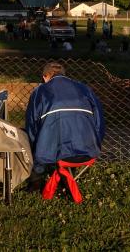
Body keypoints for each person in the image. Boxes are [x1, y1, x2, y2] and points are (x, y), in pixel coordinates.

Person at [24, 61, 104, 189]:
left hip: (48, 153)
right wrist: (96, 143)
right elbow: (99, 121)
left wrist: (34, 145)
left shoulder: (39, 91)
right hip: (87, 151)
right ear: (64, 75)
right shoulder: (84, 89)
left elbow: (31, 125)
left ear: (45, 77)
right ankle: (67, 177)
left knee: (37, 137)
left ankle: (36, 182)